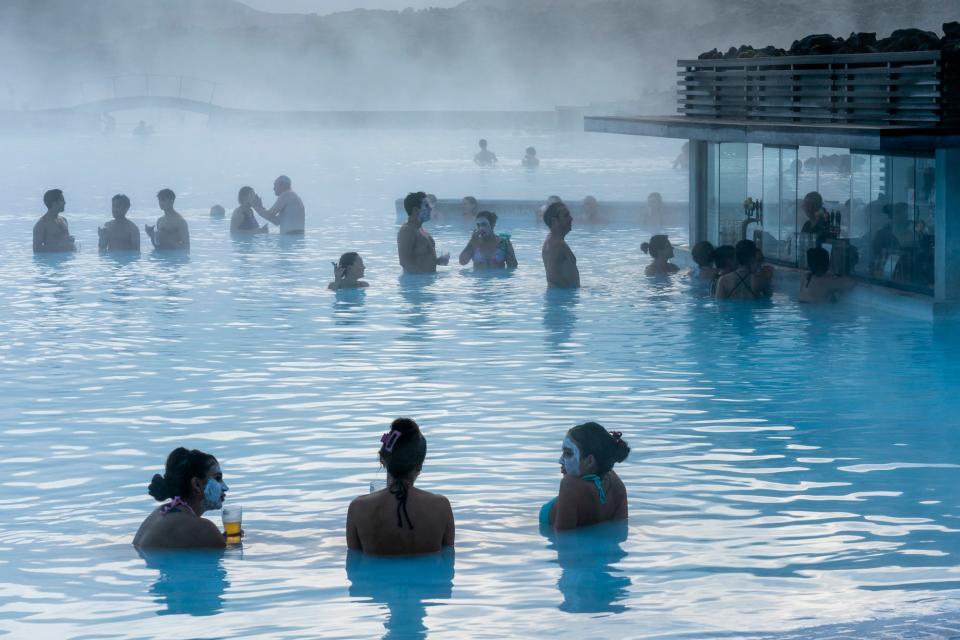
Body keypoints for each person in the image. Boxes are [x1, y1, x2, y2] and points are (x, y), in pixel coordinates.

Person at [346, 418, 454, 555]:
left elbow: (354, 567)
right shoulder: (441, 506)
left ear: (382, 459)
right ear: (419, 465)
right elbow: (448, 564)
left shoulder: (358, 508)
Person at [133, 447, 231, 549]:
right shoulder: (204, 529)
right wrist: (234, 542)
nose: (225, 488)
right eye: (218, 478)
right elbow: (227, 556)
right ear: (197, 485)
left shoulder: (160, 512)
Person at [540, 422, 630, 531]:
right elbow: (621, 527)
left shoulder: (569, 485)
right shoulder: (615, 481)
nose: (560, 460)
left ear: (589, 461)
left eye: (568, 453)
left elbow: (563, 539)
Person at [397, 191, 449, 274]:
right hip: (415, 284)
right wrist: (421, 280)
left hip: (426, 282)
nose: (431, 208)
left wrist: (438, 261)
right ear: (415, 210)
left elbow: (421, 259)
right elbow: (404, 262)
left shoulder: (421, 230)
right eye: (427, 206)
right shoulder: (407, 230)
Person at [542, 201, 580, 288]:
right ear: (554, 221)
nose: (571, 219)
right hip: (563, 299)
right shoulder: (558, 245)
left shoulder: (550, 240)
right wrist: (570, 291)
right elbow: (552, 276)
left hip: (559, 297)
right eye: (566, 216)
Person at [33, 189, 76, 253]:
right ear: (54, 203)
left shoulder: (64, 220)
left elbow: (66, 242)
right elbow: (36, 249)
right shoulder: (42, 224)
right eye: (62, 200)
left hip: (67, 260)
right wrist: (59, 245)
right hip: (52, 261)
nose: (65, 202)